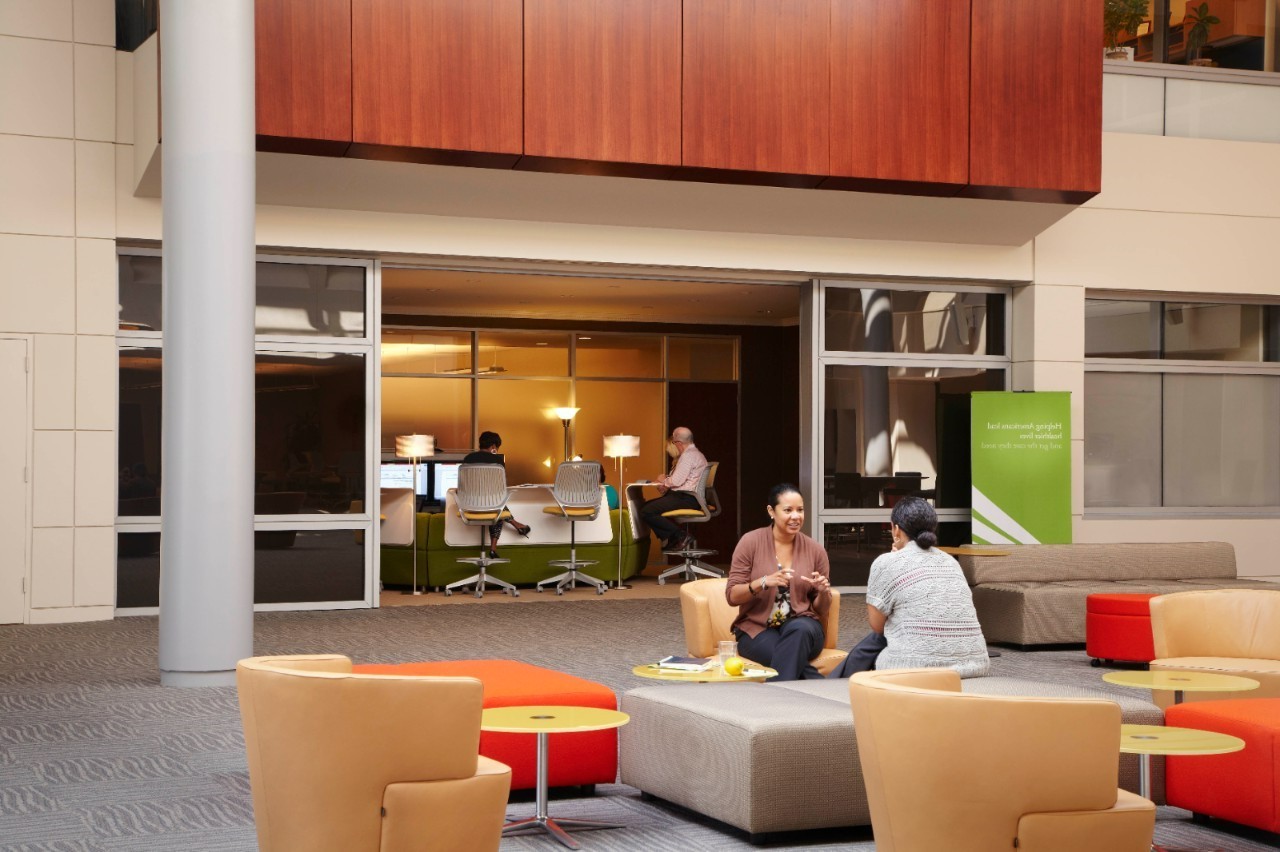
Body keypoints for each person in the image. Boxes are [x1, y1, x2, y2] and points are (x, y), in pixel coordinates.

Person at [828, 496, 990, 679]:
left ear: (896, 529)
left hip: (916, 668)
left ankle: (834, 685)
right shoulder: (950, 562)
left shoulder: (886, 563)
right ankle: (834, 683)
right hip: (975, 665)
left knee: (878, 639)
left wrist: (891, 562)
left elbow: (877, 626)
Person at [724, 484, 832, 681]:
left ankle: (775, 703)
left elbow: (822, 610)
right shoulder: (750, 542)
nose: (796, 516)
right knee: (787, 656)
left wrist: (823, 592)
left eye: (800, 510)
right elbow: (732, 596)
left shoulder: (815, 550)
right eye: (788, 510)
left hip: (804, 628)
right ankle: (818, 685)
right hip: (756, 629)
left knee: (799, 631)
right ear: (771, 511)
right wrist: (762, 582)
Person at [461, 431, 531, 558]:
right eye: (497, 447)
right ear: (493, 446)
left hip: (469, 505)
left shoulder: (468, 459)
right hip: (491, 505)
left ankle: (514, 528)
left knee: (496, 507)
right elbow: (500, 487)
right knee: (497, 505)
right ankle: (497, 544)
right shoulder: (497, 461)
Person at [639, 426, 708, 551]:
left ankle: (680, 535)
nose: (675, 446)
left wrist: (663, 481)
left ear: (679, 443)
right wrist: (666, 483)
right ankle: (673, 537)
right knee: (646, 507)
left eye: (675, 443)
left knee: (646, 511)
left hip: (687, 498)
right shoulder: (696, 454)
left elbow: (676, 481)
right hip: (689, 497)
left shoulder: (688, 456)